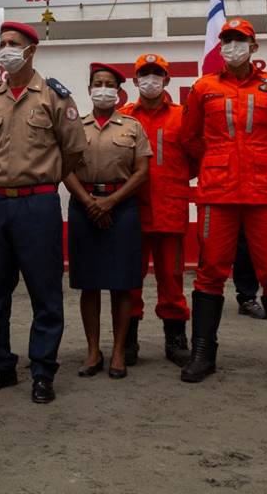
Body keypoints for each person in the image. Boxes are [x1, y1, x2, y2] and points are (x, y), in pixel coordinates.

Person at [179, 18, 267, 388]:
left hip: (263, 193)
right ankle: (203, 352)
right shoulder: (204, 87)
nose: (232, 45)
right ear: (220, 47)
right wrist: (217, 160)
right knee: (210, 272)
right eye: (227, 40)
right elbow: (189, 139)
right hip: (216, 194)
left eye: (240, 40)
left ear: (253, 47)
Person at [0, 21, 87, 404]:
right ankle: (0, 365)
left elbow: (73, 150)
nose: (5, 49)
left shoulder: (53, 97)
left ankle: (42, 371)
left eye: (13, 43)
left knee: (44, 291)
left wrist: (47, 177)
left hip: (38, 203)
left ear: (31, 50)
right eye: (2, 43)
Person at [65, 63, 150, 379]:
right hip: (83, 206)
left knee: (121, 284)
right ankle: (92, 351)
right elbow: (65, 168)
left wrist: (111, 202)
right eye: (97, 83)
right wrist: (90, 203)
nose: (103, 88)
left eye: (109, 84)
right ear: (89, 90)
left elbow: (142, 172)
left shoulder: (133, 126)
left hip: (122, 207)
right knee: (89, 284)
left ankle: (117, 352)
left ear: (118, 91)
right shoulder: (76, 127)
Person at [116, 53, 191, 366]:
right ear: (135, 81)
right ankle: (128, 340)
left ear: (167, 80)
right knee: (130, 279)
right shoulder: (123, 116)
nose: (150, 80)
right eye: (144, 74)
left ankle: (175, 341)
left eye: (156, 74)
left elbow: (196, 158)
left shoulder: (184, 115)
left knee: (172, 280)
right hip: (131, 213)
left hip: (170, 212)